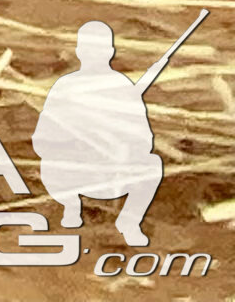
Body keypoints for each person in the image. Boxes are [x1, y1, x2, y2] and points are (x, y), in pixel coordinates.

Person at [30, 21, 166, 244]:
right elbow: (42, 139)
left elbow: (144, 138)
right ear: (79, 52)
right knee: (52, 165)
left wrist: (120, 147)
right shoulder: (65, 86)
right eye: (89, 49)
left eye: (100, 49)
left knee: (152, 165)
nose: (94, 55)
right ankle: (71, 207)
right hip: (71, 172)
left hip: (111, 173)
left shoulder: (122, 86)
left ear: (110, 52)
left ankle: (130, 221)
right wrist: (75, 143)